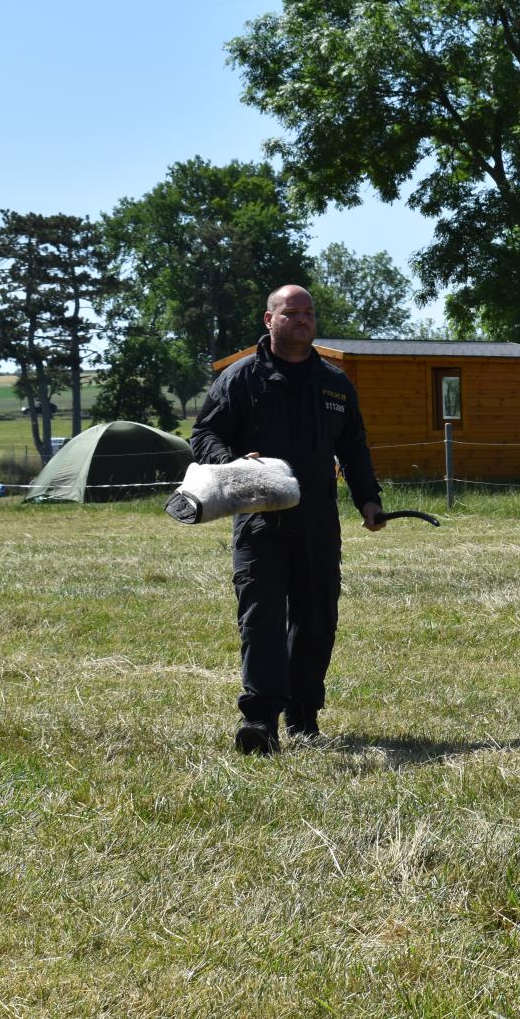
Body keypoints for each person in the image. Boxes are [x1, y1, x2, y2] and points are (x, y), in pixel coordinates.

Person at [190, 285, 385, 755]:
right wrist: (235, 462)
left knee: (317, 619)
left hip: (319, 523)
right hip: (260, 523)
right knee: (261, 620)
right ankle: (259, 721)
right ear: (269, 319)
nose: (302, 321)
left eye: (309, 314)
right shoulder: (240, 379)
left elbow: (353, 447)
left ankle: (303, 715)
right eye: (291, 313)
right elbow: (204, 434)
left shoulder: (335, 382)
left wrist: (369, 501)